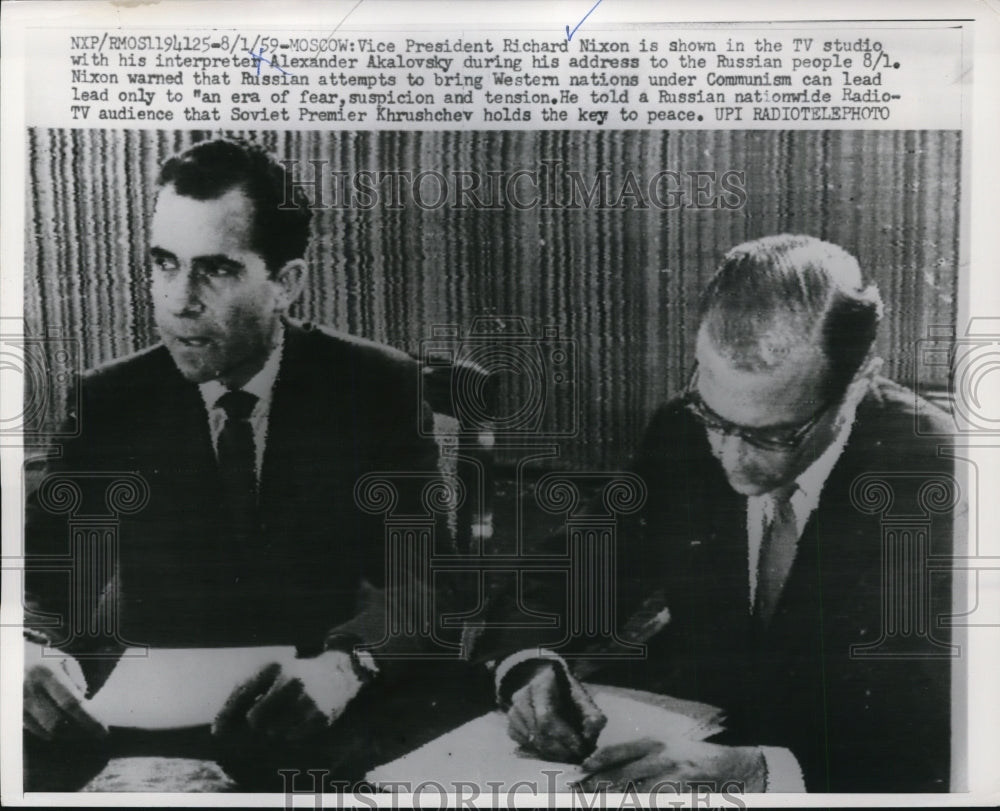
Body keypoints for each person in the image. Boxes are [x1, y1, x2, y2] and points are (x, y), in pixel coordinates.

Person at [22, 138, 448, 790]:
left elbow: (422, 583)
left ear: (286, 284)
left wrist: (346, 667)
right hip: (146, 736)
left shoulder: (375, 384)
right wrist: (27, 654)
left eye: (215, 270)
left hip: (322, 715)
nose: (178, 301)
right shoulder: (110, 397)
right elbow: (37, 576)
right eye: (164, 264)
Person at [485, 234, 958, 793]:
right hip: (684, 736)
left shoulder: (936, 475)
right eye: (714, 414)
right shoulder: (681, 432)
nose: (731, 459)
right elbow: (570, 572)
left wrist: (756, 771)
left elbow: (940, 739)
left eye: (775, 435)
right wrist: (532, 665)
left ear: (858, 380)